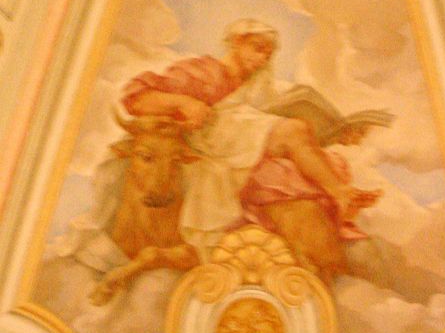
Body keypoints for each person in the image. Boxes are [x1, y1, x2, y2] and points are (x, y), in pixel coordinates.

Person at [121, 19, 386, 254]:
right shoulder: (200, 71)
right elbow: (136, 97)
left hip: (242, 142)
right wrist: (183, 102)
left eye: (267, 55)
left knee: (304, 147)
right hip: (208, 143)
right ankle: (341, 193)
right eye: (257, 49)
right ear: (237, 42)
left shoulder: (260, 87)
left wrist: (335, 133)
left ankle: (340, 195)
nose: (262, 59)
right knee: (295, 130)